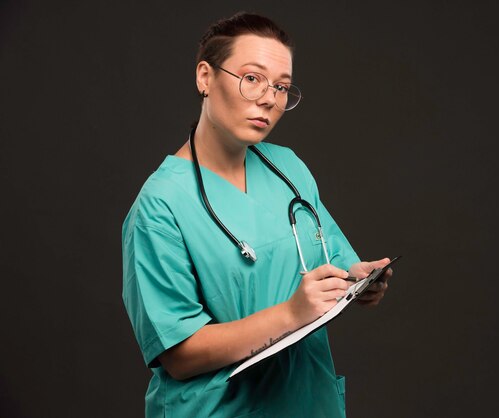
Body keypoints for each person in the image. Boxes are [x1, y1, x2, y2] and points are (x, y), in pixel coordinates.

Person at [122, 12, 392, 417]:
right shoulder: (160, 206)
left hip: (304, 401)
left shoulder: (289, 169)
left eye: (282, 86)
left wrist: (358, 279)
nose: (270, 98)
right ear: (205, 78)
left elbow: (331, 256)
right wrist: (290, 314)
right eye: (252, 78)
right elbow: (178, 353)